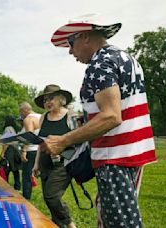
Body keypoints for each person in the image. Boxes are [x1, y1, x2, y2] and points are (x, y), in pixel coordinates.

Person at [44, 14, 157, 227]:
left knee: (118, 222)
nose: (69, 51)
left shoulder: (99, 63)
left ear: (85, 36)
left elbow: (111, 116)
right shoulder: (126, 58)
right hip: (133, 152)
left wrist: (63, 141)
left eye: (71, 43)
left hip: (114, 155)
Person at [32, 85, 76, 228]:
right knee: (48, 198)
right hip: (45, 163)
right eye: (45, 100)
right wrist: (36, 164)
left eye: (51, 98)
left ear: (61, 99)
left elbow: (78, 139)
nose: (47, 102)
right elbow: (40, 142)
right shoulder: (43, 117)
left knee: (51, 196)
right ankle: (58, 225)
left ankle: (70, 224)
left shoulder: (70, 115)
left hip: (63, 163)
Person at [18, 102, 41, 200]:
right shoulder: (41, 117)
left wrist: (24, 151)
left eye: (20, 112)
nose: (20, 115)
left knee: (26, 176)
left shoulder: (29, 119)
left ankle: (26, 198)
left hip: (31, 150)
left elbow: (29, 135)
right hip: (40, 149)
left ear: (25, 110)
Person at [0, 116, 21, 190]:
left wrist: (2, 152)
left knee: (6, 168)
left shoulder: (8, 128)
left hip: (9, 150)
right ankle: (17, 186)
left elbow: (7, 141)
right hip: (15, 150)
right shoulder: (14, 129)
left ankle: (5, 185)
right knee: (15, 169)